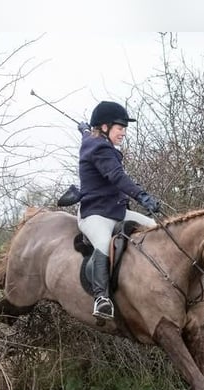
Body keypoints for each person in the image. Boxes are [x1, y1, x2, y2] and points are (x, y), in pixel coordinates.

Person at [76, 100, 162, 320]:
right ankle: (101, 298)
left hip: (115, 211)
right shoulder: (99, 148)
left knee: (155, 229)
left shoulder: (93, 139)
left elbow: (88, 135)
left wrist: (85, 130)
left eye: (124, 128)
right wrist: (142, 196)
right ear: (104, 127)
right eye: (120, 128)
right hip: (95, 214)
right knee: (104, 243)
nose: (123, 133)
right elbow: (117, 177)